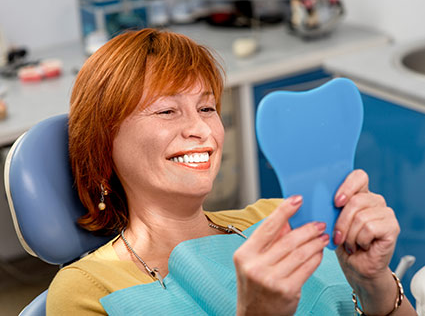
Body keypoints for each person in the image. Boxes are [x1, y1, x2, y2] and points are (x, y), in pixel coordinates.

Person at [46, 28, 416, 315]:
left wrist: (375, 284)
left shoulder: (280, 219)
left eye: (207, 109)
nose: (203, 131)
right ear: (103, 142)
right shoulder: (88, 289)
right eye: (166, 111)